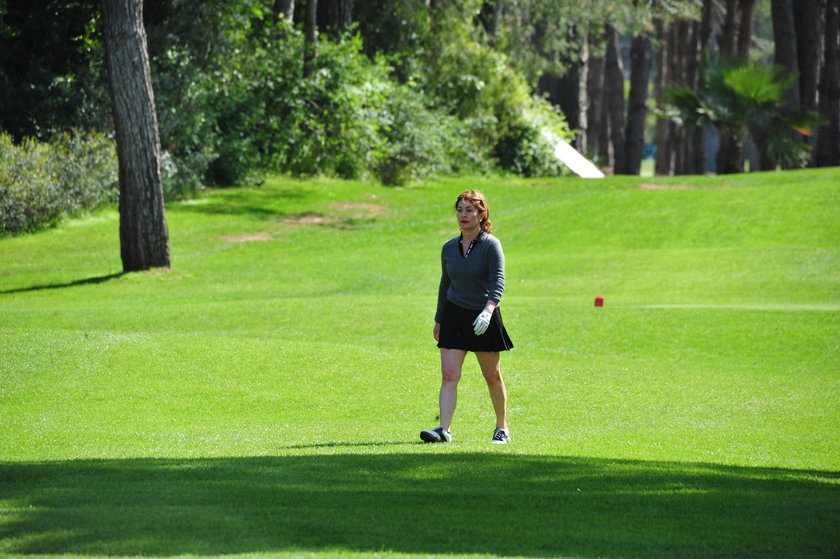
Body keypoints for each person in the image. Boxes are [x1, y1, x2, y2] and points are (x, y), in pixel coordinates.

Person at [421, 190, 514, 444]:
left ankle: (502, 428)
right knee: (449, 374)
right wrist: (439, 319)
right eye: (460, 210)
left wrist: (489, 310)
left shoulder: (491, 245)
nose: (463, 215)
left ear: (481, 215)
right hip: (454, 314)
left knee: (491, 375)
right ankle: (443, 430)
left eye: (469, 210)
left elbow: (498, 282)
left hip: (483, 315)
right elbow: (445, 283)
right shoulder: (449, 247)